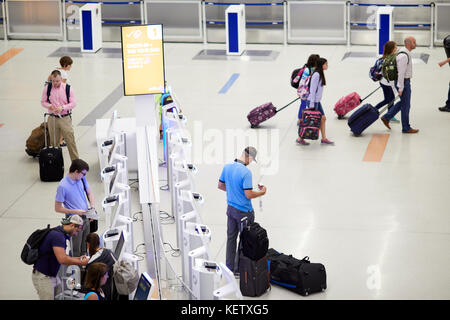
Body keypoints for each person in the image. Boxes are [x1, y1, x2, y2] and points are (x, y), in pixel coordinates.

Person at [218, 146, 267, 273]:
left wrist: (234, 192)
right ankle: (240, 269)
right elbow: (248, 194)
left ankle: (229, 268)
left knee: (231, 238)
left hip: (231, 209)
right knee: (245, 240)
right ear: (249, 157)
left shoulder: (227, 167)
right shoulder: (246, 173)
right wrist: (262, 192)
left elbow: (220, 185)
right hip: (244, 212)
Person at [32, 215, 90, 300]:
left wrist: (79, 258)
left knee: (59, 297)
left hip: (52, 275)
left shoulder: (61, 234)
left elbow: (64, 256)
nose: (76, 234)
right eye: (77, 231)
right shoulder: (57, 236)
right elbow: (62, 259)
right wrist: (81, 262)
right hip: (43, 277)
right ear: (72, 225)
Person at [55, 159, 95, 258]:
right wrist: (75, 211)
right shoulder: (62, 186)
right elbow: (57, 208)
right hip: (74, 221)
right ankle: (77, 269)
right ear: (76, 171)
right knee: (76, 249)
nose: (84, 176)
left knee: (85, 245)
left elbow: (89, 193)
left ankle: (84, 264)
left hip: (86, 216)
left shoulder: (81, 179)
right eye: (83, 174)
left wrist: (92, 208)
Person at [381, 36, 419, 134]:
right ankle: (406, 128)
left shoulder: (404, 52)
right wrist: (401, 88)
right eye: (414, 42)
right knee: (406, 106)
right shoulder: (404, 56)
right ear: (409, 43)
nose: (416, 44)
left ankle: (387, 117)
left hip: (405, 82)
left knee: (404, 103)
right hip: (404, 83)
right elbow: (401, 73)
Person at [41, 69, 79, 160]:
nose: (55, 83)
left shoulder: (68, 88)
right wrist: (49, 105)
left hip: (64, 118)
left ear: (61, 79)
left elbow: (73, 103)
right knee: (54, 143)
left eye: (57, 81)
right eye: (53, 81)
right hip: (52, 118)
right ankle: (56, 164)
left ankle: (76, 163)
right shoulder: (48, 88)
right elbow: (43, 101)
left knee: (70, 141)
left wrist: (62, 107)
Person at [299, 57, 334, 145]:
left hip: (316, 101)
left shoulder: (320, 73)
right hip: (313, 101)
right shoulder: (317, 75)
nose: (327, 65)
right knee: (310, 120)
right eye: (326, 64)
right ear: (322, 65)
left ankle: (324, 138)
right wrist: (311, 104)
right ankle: (300, 138)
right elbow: (313, 90)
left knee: (323, 118)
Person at [86, 233, 118, 300]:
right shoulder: (108, 251)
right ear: (99, 242)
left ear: (88, 244)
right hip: (112, 288)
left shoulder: (91, 264)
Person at [374, 41, 399, 122]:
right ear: (392, 50)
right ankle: (376, 109)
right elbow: (392, 74)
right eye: (395, 47)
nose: (397, 49)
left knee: (389, 99)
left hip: (382, 82)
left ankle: (389, 114)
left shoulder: (383, 58)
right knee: (389, 100)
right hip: (388, 84)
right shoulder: (391, 59)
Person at [297, 54, 320, 127]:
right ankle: (300, 119)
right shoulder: (307, 70)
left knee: (310, 105)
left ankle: (309, 119)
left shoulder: (317, 69)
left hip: (312, 91)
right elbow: (302, 81)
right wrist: (300, 92)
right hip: (305, 91)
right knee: (303, 105)